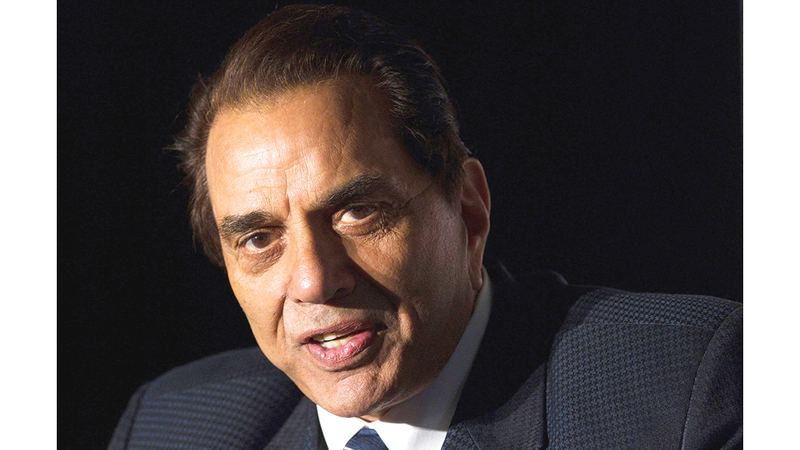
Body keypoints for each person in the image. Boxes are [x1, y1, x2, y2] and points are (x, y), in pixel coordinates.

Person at [109, 4, 742, 449]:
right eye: (258, 238)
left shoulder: (690, 391)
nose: (313, 281)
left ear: (469, 211)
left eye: (357, 212)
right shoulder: (169, 427)